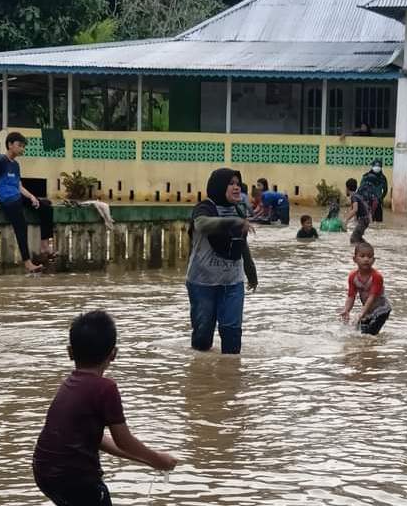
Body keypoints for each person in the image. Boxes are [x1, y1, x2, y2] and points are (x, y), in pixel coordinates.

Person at [32, 310, 177, 505]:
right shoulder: (105, 388)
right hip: (76, 478)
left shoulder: (69, 384)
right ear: (114, 354)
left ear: (70, 352)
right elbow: (124, 440)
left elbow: (98, 439)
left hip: (45, 472)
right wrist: (159, 459)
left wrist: (149, 461)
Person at [187, 168, 258, 354]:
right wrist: (233, 222)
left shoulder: (239, 209)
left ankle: (230, 379)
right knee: (202, 339)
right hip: (203, 282)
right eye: (231, 183)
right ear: (219, 186)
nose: (236, 188)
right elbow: (202, 225)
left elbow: (241, 243)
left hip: (233, 282)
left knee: (232, 337)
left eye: (238, 184)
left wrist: (251, 272)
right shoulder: (205, 208)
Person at [0, 131, 56, 273]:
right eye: (20, 145)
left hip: (16, 194)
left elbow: (19, 185)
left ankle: (44, 245)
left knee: (46, 206)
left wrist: (32, 197)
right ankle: (28, 263)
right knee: (21, 224)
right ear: (10, 145)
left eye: (23, 146)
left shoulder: (15, 165)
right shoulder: (0, 160)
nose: (22, 149)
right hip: (5, 197)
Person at [339, 242, 392, 335]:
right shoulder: (353, 277)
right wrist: (346, 310)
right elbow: (351, 296)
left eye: (370, 256)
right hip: (368, 310)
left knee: (369, 334)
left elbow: (372, 297)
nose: (366, 259)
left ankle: (370, 347)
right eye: (362, 256)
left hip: (382, 310)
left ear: (374, 260)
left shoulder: (376, 277)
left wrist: (361, 313)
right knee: (359, 331)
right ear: (354, 259)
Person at [344, 178, 370, 244]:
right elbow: (360, 209)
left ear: (347, 188)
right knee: (358, 238)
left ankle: (365, 249)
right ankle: (367, 246)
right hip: (366, 219)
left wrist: (346, 220)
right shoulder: (358, 195)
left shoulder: (354, 197)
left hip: (363, 220)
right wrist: (354, 220)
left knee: (353, 239)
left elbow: (355, 209)